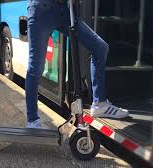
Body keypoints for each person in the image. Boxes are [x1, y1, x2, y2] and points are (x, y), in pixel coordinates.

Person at [25, 0, 129, 128]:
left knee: (100, 47)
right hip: (42, 9)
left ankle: (99, 104)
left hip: (63, 9)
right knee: (35, 68)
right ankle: (32, 120)